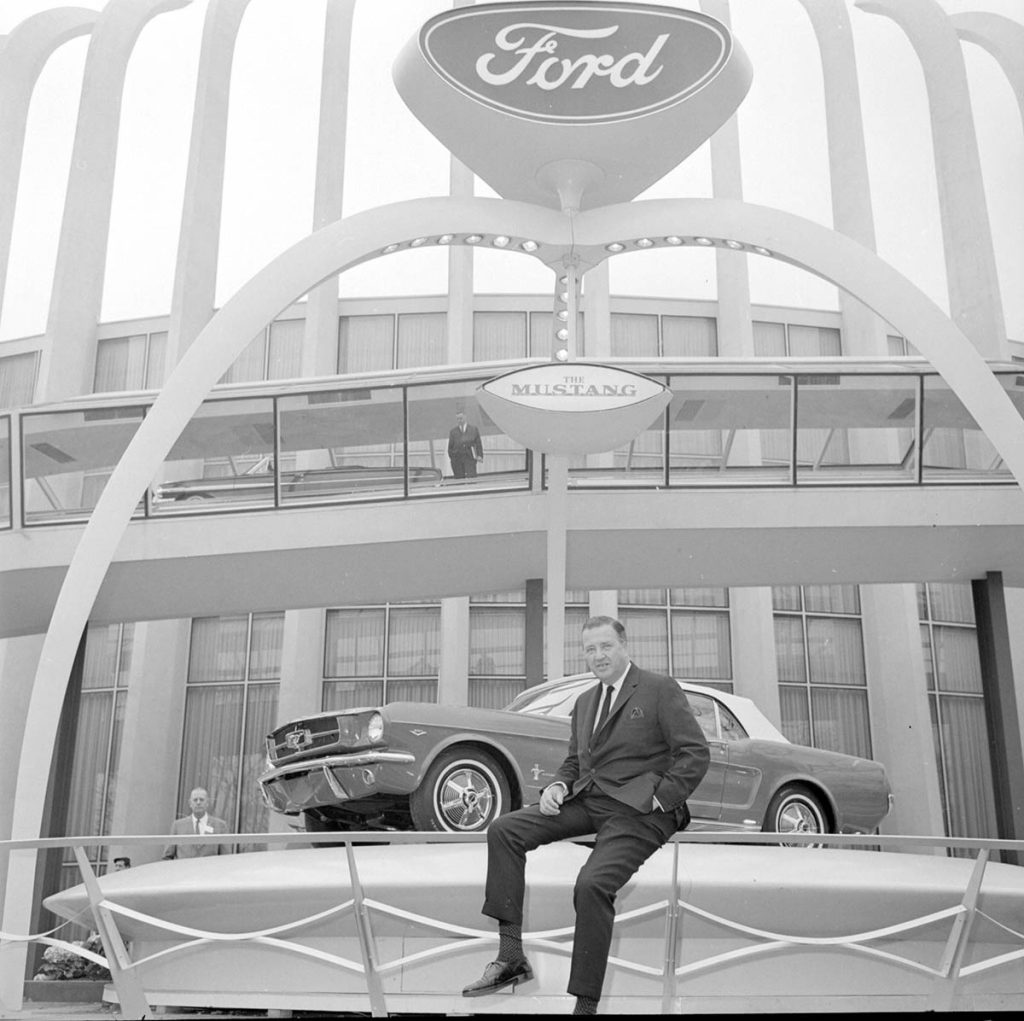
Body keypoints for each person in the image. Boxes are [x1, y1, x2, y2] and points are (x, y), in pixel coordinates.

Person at [462, 616, 710, 1015]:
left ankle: (585, 1007)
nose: (598, 656)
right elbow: (576, 762)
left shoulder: (659, 689)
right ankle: (511, 955)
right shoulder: (585, 703)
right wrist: (559, 786)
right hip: (590, 801)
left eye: (605, 646)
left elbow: (695, 752)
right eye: (590, 650)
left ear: (624, 645)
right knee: (505, 829)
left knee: (591, 885)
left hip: (640, 811)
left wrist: (661, 799)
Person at [162, 787, 230, 860]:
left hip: (210, 870)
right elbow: (167, 857)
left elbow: (226, 858)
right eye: (195, 800)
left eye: (201, 799)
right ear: (190, 803)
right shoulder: (178, 826)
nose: (198, 802)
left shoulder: (220, 826)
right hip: (184, 870)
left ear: (207, 803)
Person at [447, 411, 483, 478]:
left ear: (465, 417)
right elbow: (450, 448)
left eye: (461, 418)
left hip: (470, 459)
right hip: (457, 460)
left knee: (472, 478)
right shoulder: (453, 432)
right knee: (459, 480)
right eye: (458, 419)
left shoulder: (473, 429)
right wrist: (453, 459)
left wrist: (479, 455)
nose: (459, 420)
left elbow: (478, 444)